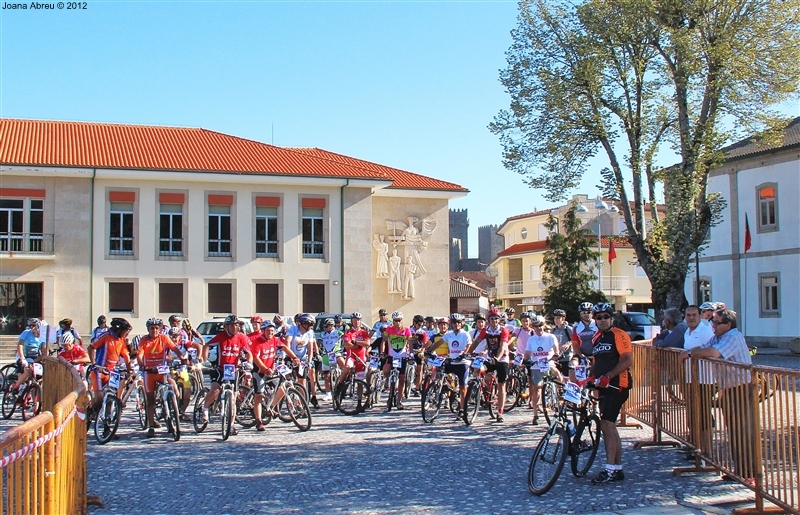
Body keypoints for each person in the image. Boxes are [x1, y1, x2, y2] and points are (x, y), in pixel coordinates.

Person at [680, 309, 754, 482]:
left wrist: (690, 353)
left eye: (716, 322)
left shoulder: (732, 336)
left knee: (741, 430)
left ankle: (748, 471)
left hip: (741, 387)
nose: (713, 325)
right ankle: (741, 470)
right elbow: (704, 348)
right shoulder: (718, 337)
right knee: (734, 430)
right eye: (712, 322)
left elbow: (713, 352)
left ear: (728, 324)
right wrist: (692, 351)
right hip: (730, 387)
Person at [588, 303, 633, 484]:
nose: (603, 320)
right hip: (603, 386)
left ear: (612, 318)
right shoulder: (597, 338)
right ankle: (616, 467)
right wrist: (589, 377)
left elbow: (627, 359)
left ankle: (610, 469)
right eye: (599, 317)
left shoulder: (619, 334)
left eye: (606, 316)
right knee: (609, 426)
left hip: (617, 385)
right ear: (595, 320)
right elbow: (596, 362)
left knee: (607, 424)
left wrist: (609, 376)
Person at [201, 314, 253, 434]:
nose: (235, 328)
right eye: (233, 325)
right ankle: (205, 409)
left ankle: (231, 425)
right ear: (226, 327)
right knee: (214, 389)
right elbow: (207, 345)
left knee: (233, 398)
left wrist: (248, 362)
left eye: (237, 325)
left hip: (233, 369)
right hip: (219, 368)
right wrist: (205, 359)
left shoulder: (242, 337)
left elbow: (248, 352)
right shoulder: (221, 337)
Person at [138, 318, 187, 437]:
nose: (154, 330)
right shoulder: (144, 340)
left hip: (162, 371)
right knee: (151, 400)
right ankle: (150, 426)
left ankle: (172, 410)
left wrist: (182, 358)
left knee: (173, 387)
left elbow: (174, 348)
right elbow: (140, 354)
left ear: (160, 329)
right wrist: (142, 365)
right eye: (151, 328)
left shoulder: (164, 338)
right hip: (149, 372)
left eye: (156, 328)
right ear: (148, 329)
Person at [679, 304, 715, 459]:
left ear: (700, 316)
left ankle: (706, 450)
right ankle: (696, 446)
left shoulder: (705, 332)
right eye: (688, 315)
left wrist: (689, 353)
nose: (691, 318)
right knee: (694, 413)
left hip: (704, 379)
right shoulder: (688, 332)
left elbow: (709, 351)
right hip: (691, 378)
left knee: (703, 415)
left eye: (694, 315)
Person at [250, 320, 300, 431]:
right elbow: (256, 358)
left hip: (271, 370)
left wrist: (294, 357)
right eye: (268, 330)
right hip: (260, 372)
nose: (271, 333)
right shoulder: (257, 342)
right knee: (259, 396)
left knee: (282, 388)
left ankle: (270, 407)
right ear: (263, 331)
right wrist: (265, 369)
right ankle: (258, 421)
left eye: (272, 331)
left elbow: (285, 348)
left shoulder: (274, 339)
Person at [465, 308, 511, 422]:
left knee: (501, 385)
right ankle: (481, 388)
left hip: (502, 359)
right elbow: (476, 342)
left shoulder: (503, 330)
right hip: (489, 358)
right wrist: (467, 353)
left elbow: (502, 346)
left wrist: (498, 358)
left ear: (499, 320)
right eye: (492, 319)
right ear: (488, 320)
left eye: (496, 319)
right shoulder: (486, 330)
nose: (494, 321)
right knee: (478, 370)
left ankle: (500, 412)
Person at [427, 313, 472, 414]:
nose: (456, 324)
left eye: (458, 322)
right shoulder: (449, 334)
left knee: (462, 386)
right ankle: (442, 388)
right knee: (440, 371)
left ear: (461, 323)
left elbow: (469, 346)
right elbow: (438, 343)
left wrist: (464, 354)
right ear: (451, 324)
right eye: (454, 322)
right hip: (452, 361)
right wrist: (428, 351)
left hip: (462, 363)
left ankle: (462, 408)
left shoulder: (465, 334)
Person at [88, 318, 134, 413]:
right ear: (119, 330)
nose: (127, 334)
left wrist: (130, 370)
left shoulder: (121, 340)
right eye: (126, 331)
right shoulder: (106, 336)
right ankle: (88, 411)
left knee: (111, 395)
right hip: (99, 371)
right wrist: (94, 364)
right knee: (99, 397)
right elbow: (91, 347)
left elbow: (126, 356)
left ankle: (107, 422)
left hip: (111, 372)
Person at [523, 315, 562, 424]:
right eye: (536, 326)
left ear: (544, 325)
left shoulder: (550, 337)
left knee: (557, 373)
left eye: (540, 325)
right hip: (536, 366)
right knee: (536, 389)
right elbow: (527, 353)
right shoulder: (531, 339)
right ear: (533, 327)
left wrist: (556, 354)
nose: (538, 328)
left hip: (548, 363)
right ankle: (535, 415)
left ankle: (560, 392)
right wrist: (525, 359)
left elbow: (556, 350)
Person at [285, 313, 319, 408]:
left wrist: (309, 361)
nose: (311, 327)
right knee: (288, 380)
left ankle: (303, 404)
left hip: (302, 359)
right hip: (291, 356)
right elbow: (287, 342)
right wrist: (291, 357)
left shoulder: (310, 332)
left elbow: (310, 348)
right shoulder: (293, 330)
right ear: (304, 324)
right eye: (310, 324)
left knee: (302, 381)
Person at [381, 311, 413, 410]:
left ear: (401, 320)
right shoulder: (389, 329)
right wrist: (382, 352)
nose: (397, 322)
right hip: (392, 356)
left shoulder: (406, 330)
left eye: (399, 320)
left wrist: (411, 354)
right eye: (395, 321)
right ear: (393, 321)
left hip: (402, 356)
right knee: (386, 369)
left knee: (402, 379)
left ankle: (399, 401)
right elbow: (383, 342)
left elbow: (410, 343)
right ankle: (387, 381)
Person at [11, 318, 47, 392]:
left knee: (40, 375)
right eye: (38, 333)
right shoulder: (26, 333)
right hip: (24, 356)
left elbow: (44, 350)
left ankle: (34, 395)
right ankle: (16, 387)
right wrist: (22, 358)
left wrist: (45, 355)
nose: (39, 335)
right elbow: (20, 345)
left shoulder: (42, 337)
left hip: (34, 358)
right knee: (27, 372)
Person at [339, 312, 371, 392]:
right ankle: (339, 385)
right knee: (347, 368)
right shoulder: (349, 332)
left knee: (360, 381)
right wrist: (360, 344)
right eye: (355, 320)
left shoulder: (363, 332)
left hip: (361, 358)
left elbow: (367, 343)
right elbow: (347, 346)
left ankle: (359, 402)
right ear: (352, 321)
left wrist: (355, 342)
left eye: (359, 320)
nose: (357, 322)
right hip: (351, 357)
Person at [318, 318, 344, 401]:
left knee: (344, 367)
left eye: (326, 326)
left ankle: (344, 384)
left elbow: (347, 338)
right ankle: (328, 394)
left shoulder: (338, 332)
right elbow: (318, 342)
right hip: (326, 355)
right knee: (326, 376)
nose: (324, 328)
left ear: (331, 326)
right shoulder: (323, 334)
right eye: (324, 326)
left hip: (336, 353)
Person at [410, 314, 429, 396]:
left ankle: (417, 388)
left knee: (419, 369)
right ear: (414, 323)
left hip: (419, 351)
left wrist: (422, 351)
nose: (420, 326)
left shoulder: (423, 332)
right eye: (418, 325)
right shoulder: (409, 330)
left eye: (421, 325)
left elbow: (425, 343)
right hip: (410, 351)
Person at [550, 309, 573, 375]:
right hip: (556, 357)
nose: (556, 320)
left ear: (563, 318)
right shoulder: (553, 330)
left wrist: (568, 344)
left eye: (558, 318)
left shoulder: (568, 329)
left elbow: (574, 340)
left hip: (566, 357)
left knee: (566, 377)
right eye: (554, 318)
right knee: (557, 378)